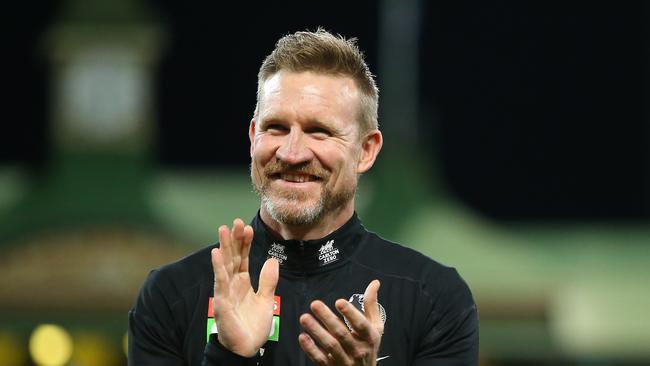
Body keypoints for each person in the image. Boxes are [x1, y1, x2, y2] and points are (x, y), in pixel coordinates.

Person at [128, 29, 478, 366]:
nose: (292, 153)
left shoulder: (434, 297)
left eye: (319, 131)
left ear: (366, 151)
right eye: (276, 127)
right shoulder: (170, 295)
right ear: (253, 138)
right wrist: (228, 356)